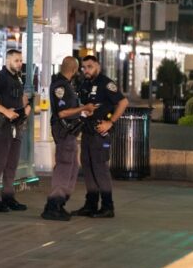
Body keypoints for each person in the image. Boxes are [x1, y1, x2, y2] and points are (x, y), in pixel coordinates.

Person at [41, 57, 97, 221]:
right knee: (65, 166)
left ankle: (60, 203)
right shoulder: (61, 86)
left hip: (70, 133)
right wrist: (84, 108)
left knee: (72, 166)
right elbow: (62, 113)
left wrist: (82, 111)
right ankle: (53, 205)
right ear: (74, 70)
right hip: (64, 131)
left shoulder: (66, 85)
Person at [73, 55, 128, 218]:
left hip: (99, 132)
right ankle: (90, 205)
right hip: (87, 131)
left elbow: (123, 102)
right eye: (84, 67)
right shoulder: (85, 84)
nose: (86, 70)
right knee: (88, 169)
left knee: (100, 170)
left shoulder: (106, 83)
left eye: (89, 66)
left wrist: (110, 122)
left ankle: (107, 206)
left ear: (98, 65)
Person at [0, 49, 32, 212]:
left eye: (21, 60)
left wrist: (25, 108)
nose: (20, 63)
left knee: (11, 165)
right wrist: (5, 111)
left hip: (16, 126)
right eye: (16, 60)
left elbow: (19, 96)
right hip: (3, 126)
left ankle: (9, 198)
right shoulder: (1, 78)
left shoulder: (16, 77)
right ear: (7, 60)